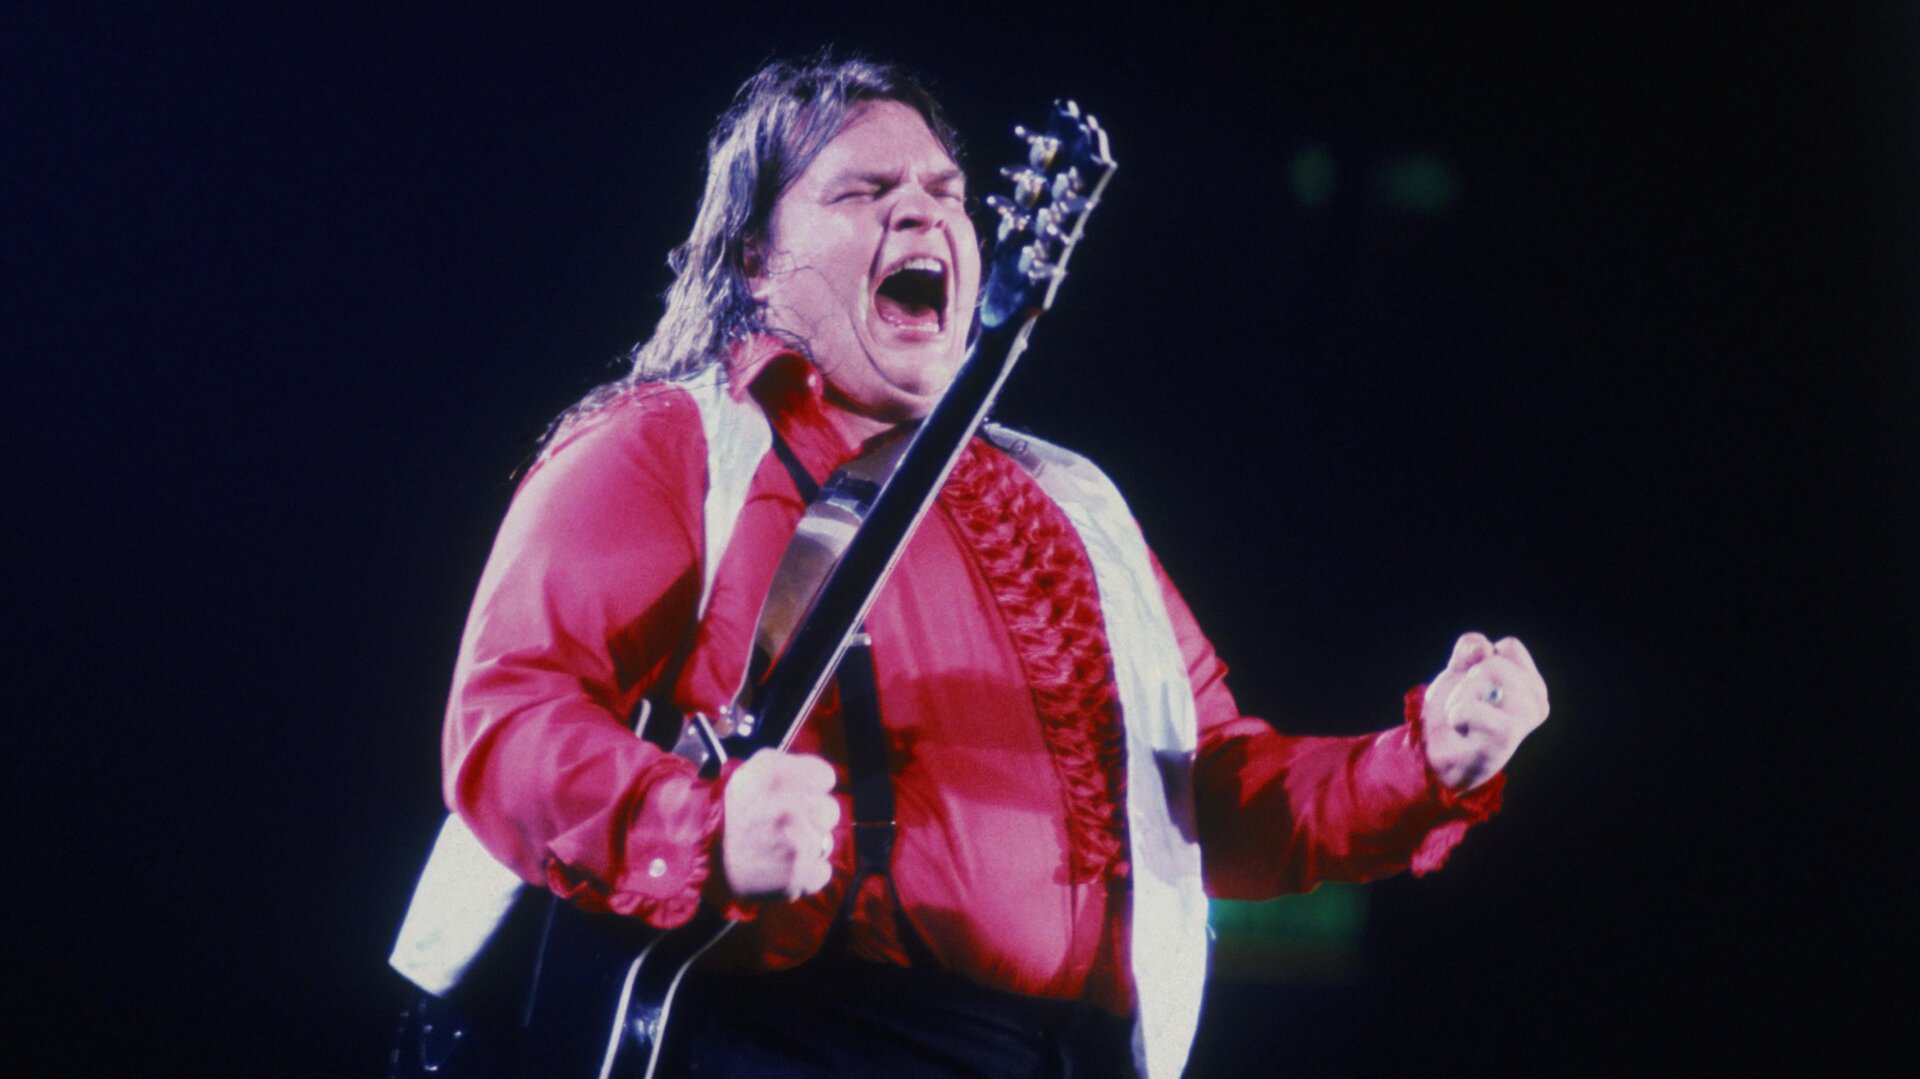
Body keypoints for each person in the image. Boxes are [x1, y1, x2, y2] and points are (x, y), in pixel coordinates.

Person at [397, 54, 1550, 1078]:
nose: (924, 213)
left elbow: (1211, 795)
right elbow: (508, 718)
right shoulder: (670, 441)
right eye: (863, 191)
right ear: (755, 254)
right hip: (782, 1035)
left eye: (947, 193)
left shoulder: (1073, 501)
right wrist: (695, 827)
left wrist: (1421, 760)